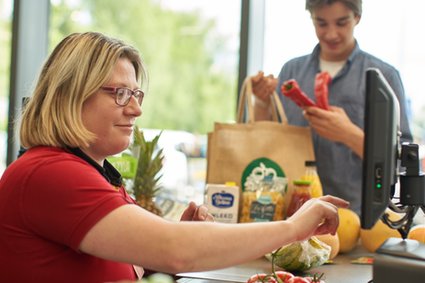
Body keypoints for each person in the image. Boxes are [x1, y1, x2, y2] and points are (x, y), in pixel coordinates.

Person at [0, 32, 348, 283]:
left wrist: (163, 249)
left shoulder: (91, 171)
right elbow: (175, 250)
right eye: (120, 94)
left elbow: (132, 263)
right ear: (71, 94)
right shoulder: (50, 174)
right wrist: (293, 228)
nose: (136, 108)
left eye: (136, 93)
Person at [252, 0, 412, 215]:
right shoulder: (291, 70)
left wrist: (349, 134)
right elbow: (268, 142)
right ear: (311, 19)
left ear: (357, 18)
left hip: (354, 217)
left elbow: (402, 162)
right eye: (321, 23)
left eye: (341, 22)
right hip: (291, 214)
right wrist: (261, 102)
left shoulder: (384, 77)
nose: (331, 34)